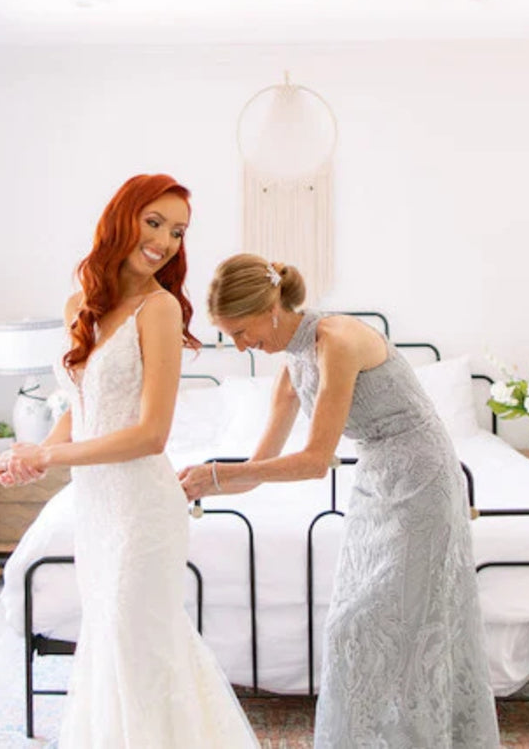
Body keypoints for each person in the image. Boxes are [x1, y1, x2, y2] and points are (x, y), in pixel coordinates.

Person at [179, 254, 501, 748]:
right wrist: (198, 483)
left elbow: (313, 460)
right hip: (376, 482)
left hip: (423, 481)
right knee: (354, 629)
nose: (243, 346)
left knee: (379, 626)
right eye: (231, 337)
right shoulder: (292, 365)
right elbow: (260, 465)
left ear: (269, 308)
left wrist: (220, 475)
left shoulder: (337, 340)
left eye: (241, 332)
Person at [0, 175, 258, 748]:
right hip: (96, 507)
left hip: (142, 508)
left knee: (140, 645)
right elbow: (81, 408)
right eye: (155, 222)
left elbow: (149, 435)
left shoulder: (158, 309)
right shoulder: (78, 304)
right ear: (123, 217)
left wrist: (50, 452)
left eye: (178, 231)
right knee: (111, 645)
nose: (164, 240)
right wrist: (31, 457)